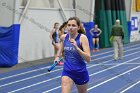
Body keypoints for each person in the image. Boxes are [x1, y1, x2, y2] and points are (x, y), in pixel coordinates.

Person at [55, 17, 90, 93]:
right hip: (67, 71)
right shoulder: (63, 37)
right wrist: (57, 57)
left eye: (73, 25)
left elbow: (88, 59)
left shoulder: (83, 38)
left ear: (78, 27)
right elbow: (60, 49)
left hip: (80, 72)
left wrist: (77, 48)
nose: (70, 28)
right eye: (69, 25)